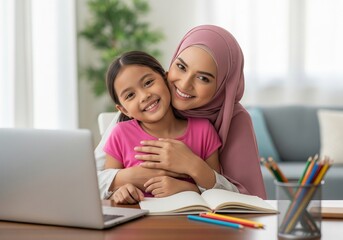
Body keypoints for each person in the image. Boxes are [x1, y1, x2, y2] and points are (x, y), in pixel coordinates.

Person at [96, 25, 266, 200]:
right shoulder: (135, 117)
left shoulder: (230, 122)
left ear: (224, 84)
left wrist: (192, 166)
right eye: (181, 67)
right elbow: (93, 178)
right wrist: (125, 178)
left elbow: (242, 200)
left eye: (203, 78)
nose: (184, 85)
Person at [104, 51, 226, 204]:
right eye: (130, 95)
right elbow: (109, 185)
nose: (144, 96)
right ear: (124, 110)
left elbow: (218, 192)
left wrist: (186, 188)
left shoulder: (203, 131)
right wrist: (121, 191)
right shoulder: (120, 134)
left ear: (166, 78)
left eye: (148, 83)